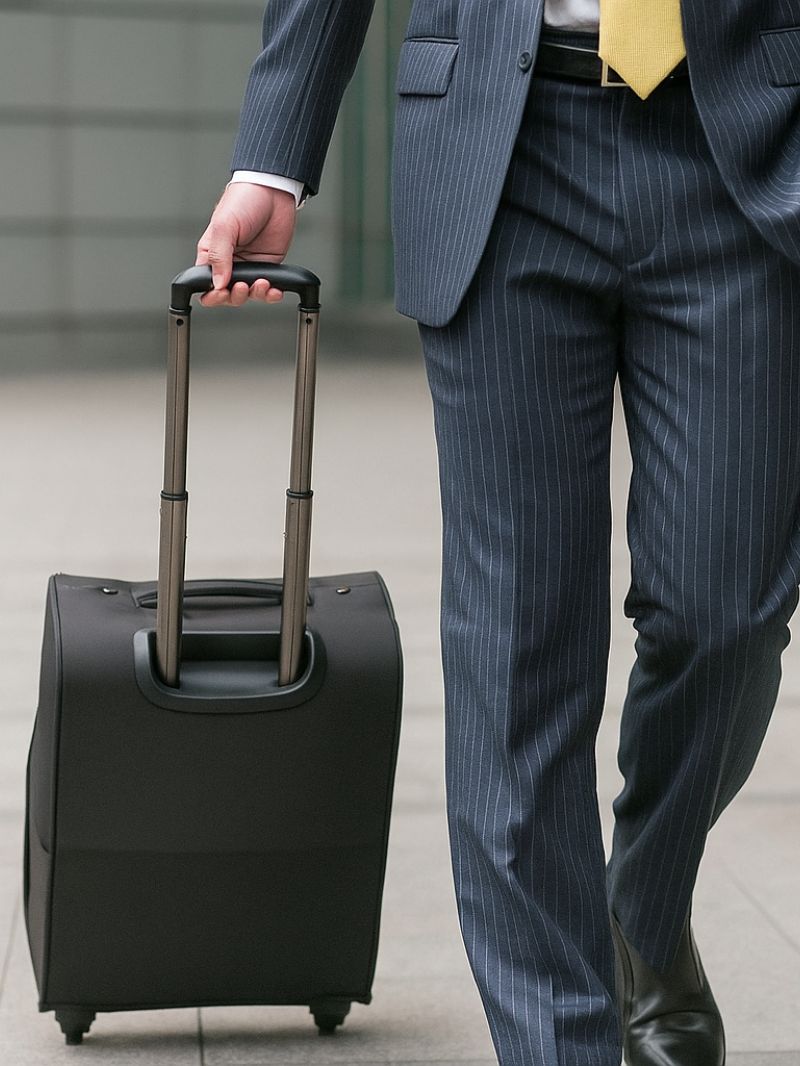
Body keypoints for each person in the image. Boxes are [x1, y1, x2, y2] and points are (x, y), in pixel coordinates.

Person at [195, 3, 800, 1064]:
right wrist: (274, 156)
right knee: (518, 647)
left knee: (727, 613)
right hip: (500, 147)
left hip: (741, 142)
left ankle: (640, 912)